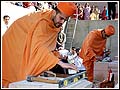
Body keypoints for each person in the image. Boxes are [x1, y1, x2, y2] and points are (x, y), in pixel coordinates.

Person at [2, 2, 77, 88]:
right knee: (17, 76)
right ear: (54, 12)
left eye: (65, 20)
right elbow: (38, 47)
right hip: (14, 43)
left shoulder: (53, 22)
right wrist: (59, 63)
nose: (62, 22)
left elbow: (47, 48)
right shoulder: (42, 22)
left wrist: (57, 55)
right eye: (61, 18)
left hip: (24, 44)